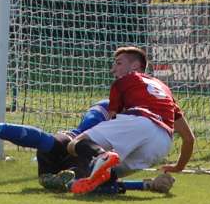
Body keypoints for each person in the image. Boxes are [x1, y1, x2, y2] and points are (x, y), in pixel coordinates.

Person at [0, 99, 176, 194]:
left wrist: (150, 184)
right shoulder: (111, 105)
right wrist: (147, 185)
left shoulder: (143, 121)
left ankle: (56, 180)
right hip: (76, 147)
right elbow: (87, 125)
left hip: (82, 158)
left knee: (100, 178)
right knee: (59, 146)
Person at [67, 46, 194, 194]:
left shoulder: (124, 81)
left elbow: (112, 117)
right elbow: (189, 138)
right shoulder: (164, 89)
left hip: (140, 121)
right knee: (102, 176)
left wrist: (95, 148)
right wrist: (178, 167)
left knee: (75, 143)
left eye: (118, 63)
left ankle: (101, 155)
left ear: (135, 66)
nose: (113, 70)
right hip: (162, 143)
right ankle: (149, 185)